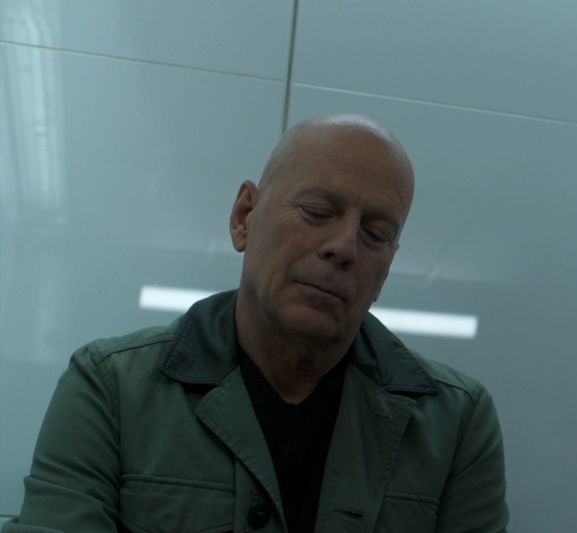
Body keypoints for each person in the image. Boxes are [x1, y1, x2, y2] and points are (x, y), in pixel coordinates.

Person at [5, 115, 508, 532]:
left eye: (375, 234)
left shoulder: (455, 423)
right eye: (317, 211)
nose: (344, 248)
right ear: (245, 216)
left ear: (386, 270)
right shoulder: (110, 388)